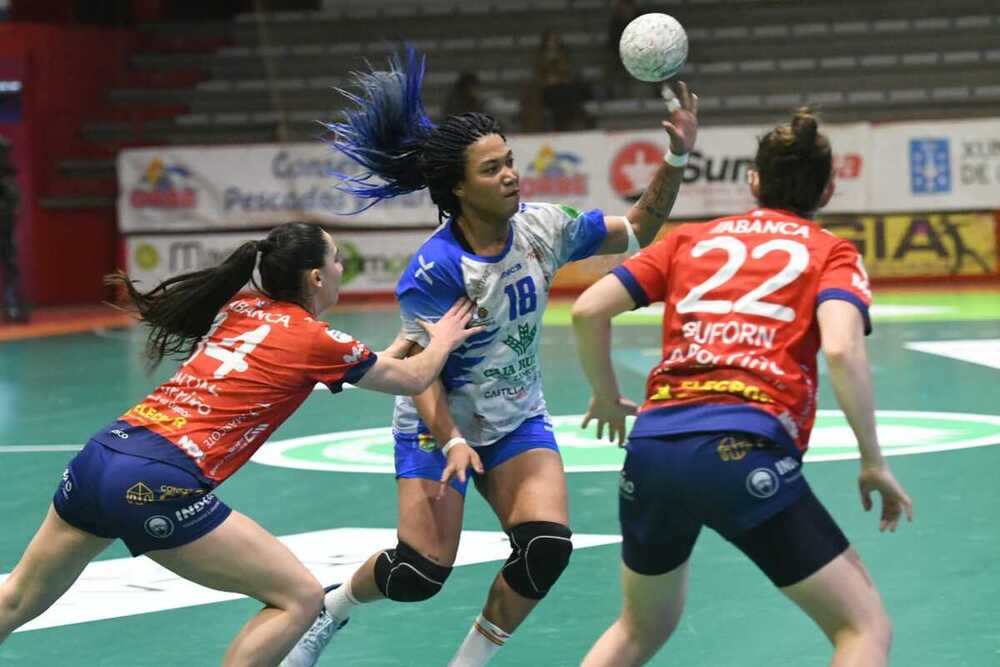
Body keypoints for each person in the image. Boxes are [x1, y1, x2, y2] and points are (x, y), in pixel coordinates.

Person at [280, 48, 697, 667]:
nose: (510, 176)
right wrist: (450, 440)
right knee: (419, 573)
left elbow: (640, 227)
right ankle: (332, 607)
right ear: (457, 188)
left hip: (515, 420)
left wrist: (678, 154)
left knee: (545, 548)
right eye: (492, 168)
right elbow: (421, 374)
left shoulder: (545, 228)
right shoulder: (436, 267)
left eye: (510, 162)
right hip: (435, 422)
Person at [0, 221, 482, 665]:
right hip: (158, 480)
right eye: (336, 259)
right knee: (301, 597)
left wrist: (394, 349)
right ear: (316, 277)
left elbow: (334, 364)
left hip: (102, 456)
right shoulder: (319, 341)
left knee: (18, 597)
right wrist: (439, 339)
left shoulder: (242, 309)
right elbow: (415, 378)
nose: (340, 268)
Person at [571, 108, 914, 667]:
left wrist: (606, 396)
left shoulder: (688, 241)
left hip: (653, 449)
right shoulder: (831, 252)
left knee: (639, 627)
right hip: (741, 449)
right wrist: (872, 460)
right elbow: (843, 348)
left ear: (753, 181)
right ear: (828, 188)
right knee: (863, 629)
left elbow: (588, 310)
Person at [0, 136, 28, 323]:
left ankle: (14, 309)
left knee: (12, 269)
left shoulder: (9, 180)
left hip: (6, 232)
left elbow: (17, 208)